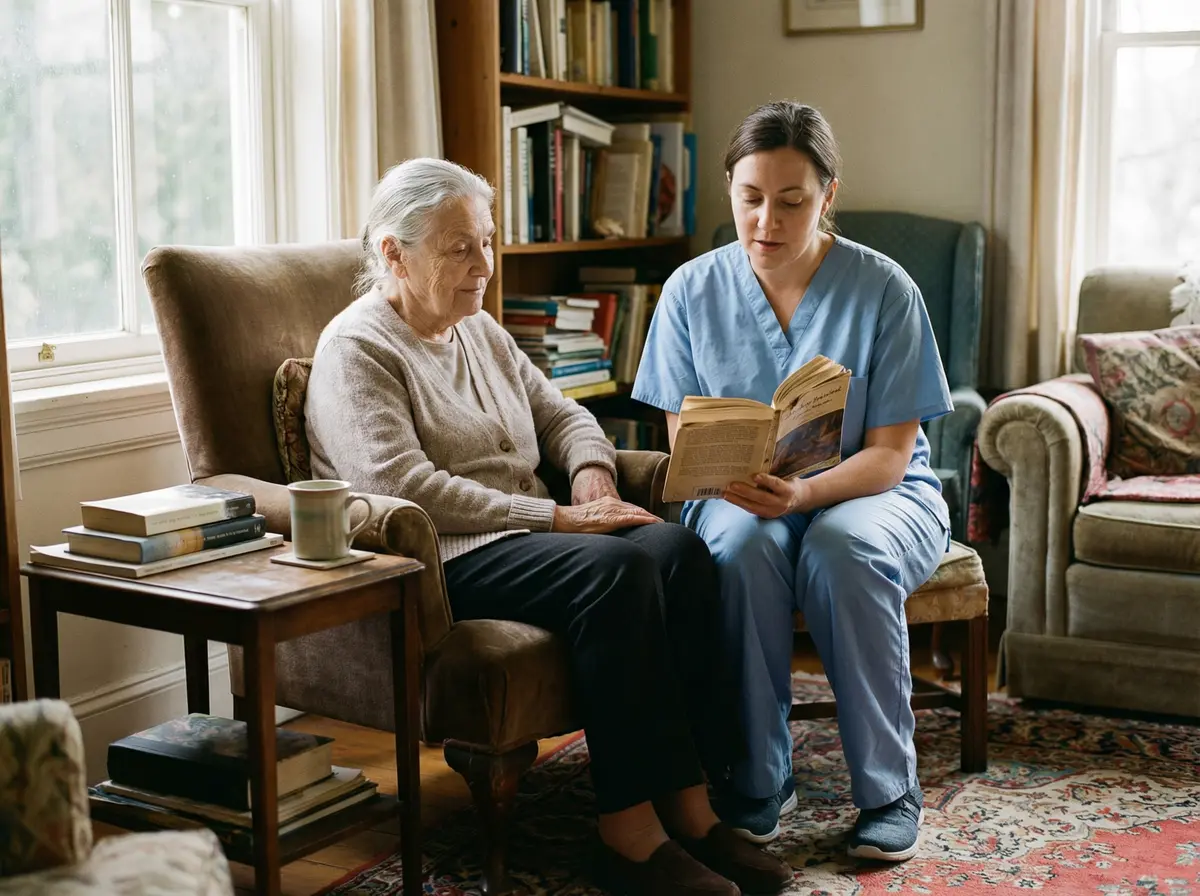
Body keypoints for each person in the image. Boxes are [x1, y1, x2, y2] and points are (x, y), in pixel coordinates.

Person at [303, 157, 791, 896]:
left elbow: (564, 414)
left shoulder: (481, 331)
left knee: (680, 551)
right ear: (392, 253)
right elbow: (398, 487)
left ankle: (692, 808)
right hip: (447, 556)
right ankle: (628, 837)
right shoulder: (357, 350)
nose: (484, 266)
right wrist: (560, 515)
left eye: (488, 242)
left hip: (531, 533)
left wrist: (591, 473)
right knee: (620, 572)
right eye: (459, 247)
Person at [633, 102, 953, 863]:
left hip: (879, 494)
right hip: (740, 500)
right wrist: (739, 479)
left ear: (828, 194)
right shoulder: (688, 290)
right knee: (741, 547)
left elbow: (889, 454)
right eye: (750, 198)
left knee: (844, 553)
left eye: (792, 200)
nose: (765, 220)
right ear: (730, 191)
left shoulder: (884, 289)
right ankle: (757, 780)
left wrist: (807, 494)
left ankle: (887, 790)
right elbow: (684, 437)